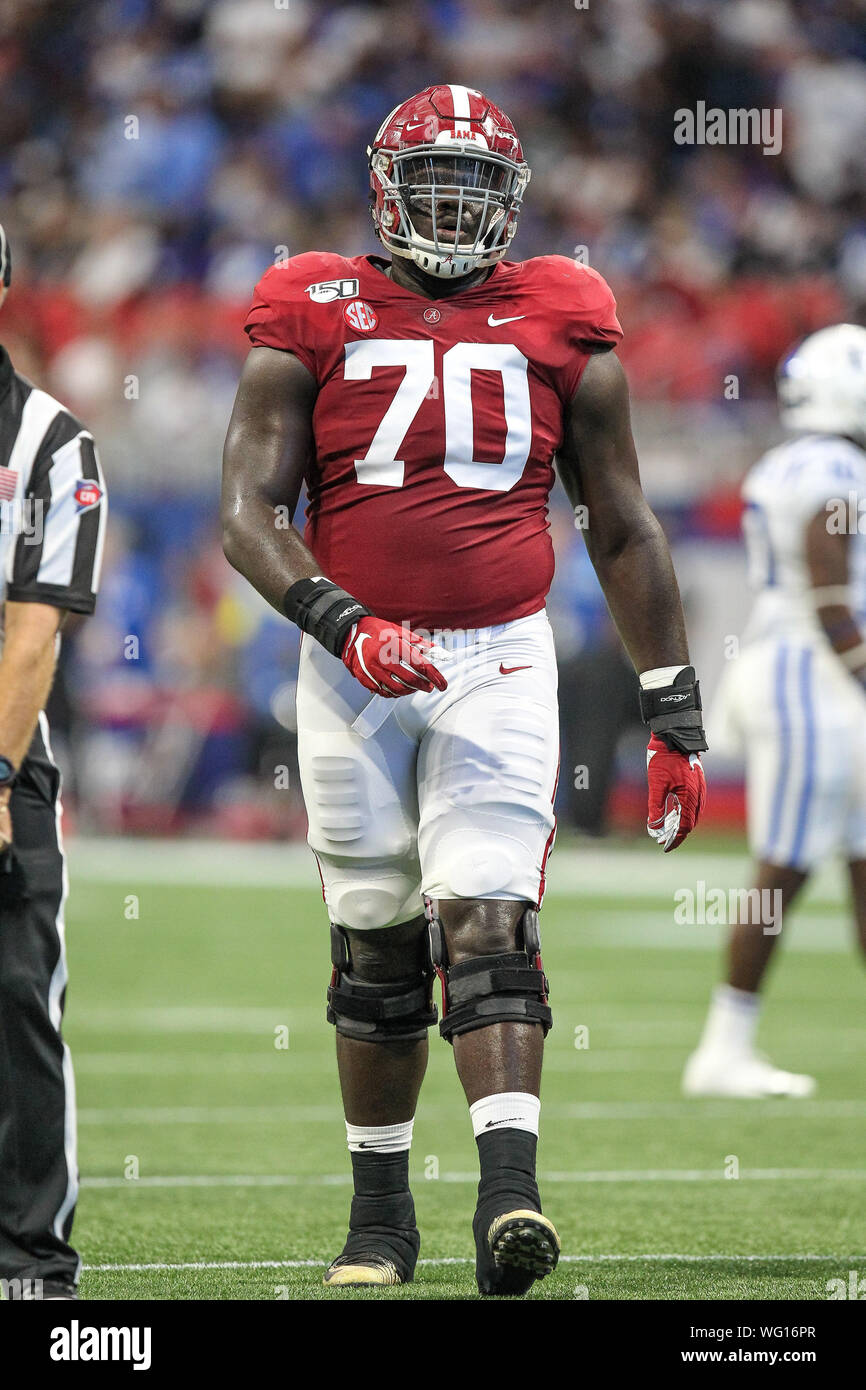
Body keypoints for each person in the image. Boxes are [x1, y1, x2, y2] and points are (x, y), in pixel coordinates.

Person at [222, 85, 706, 1296]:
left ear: (512, 199)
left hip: (498, 655)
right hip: (350, 662)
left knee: (489, 924)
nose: (452, 205)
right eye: (430, 179)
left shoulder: (560, 308)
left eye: (473, 185)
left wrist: (673, 709)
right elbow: (246, 513)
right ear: (385, 187)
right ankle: (380, 1223)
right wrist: (342, 621)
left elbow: (625, 525)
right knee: (375, 944)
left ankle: (509, 1203)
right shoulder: (313, 304)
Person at [685, 324, 866, 1099]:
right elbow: (829, 581)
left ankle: (729, 1043)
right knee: (783, 866)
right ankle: (723, 1048)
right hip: (810, 672)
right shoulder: (835, 467)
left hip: (807, 671)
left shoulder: (783, 460)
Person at [0, 224, 107, 1300]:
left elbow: (33, 629)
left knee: (16, 999)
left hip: (1, 747)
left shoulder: (49, 441)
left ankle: (32, 1263)